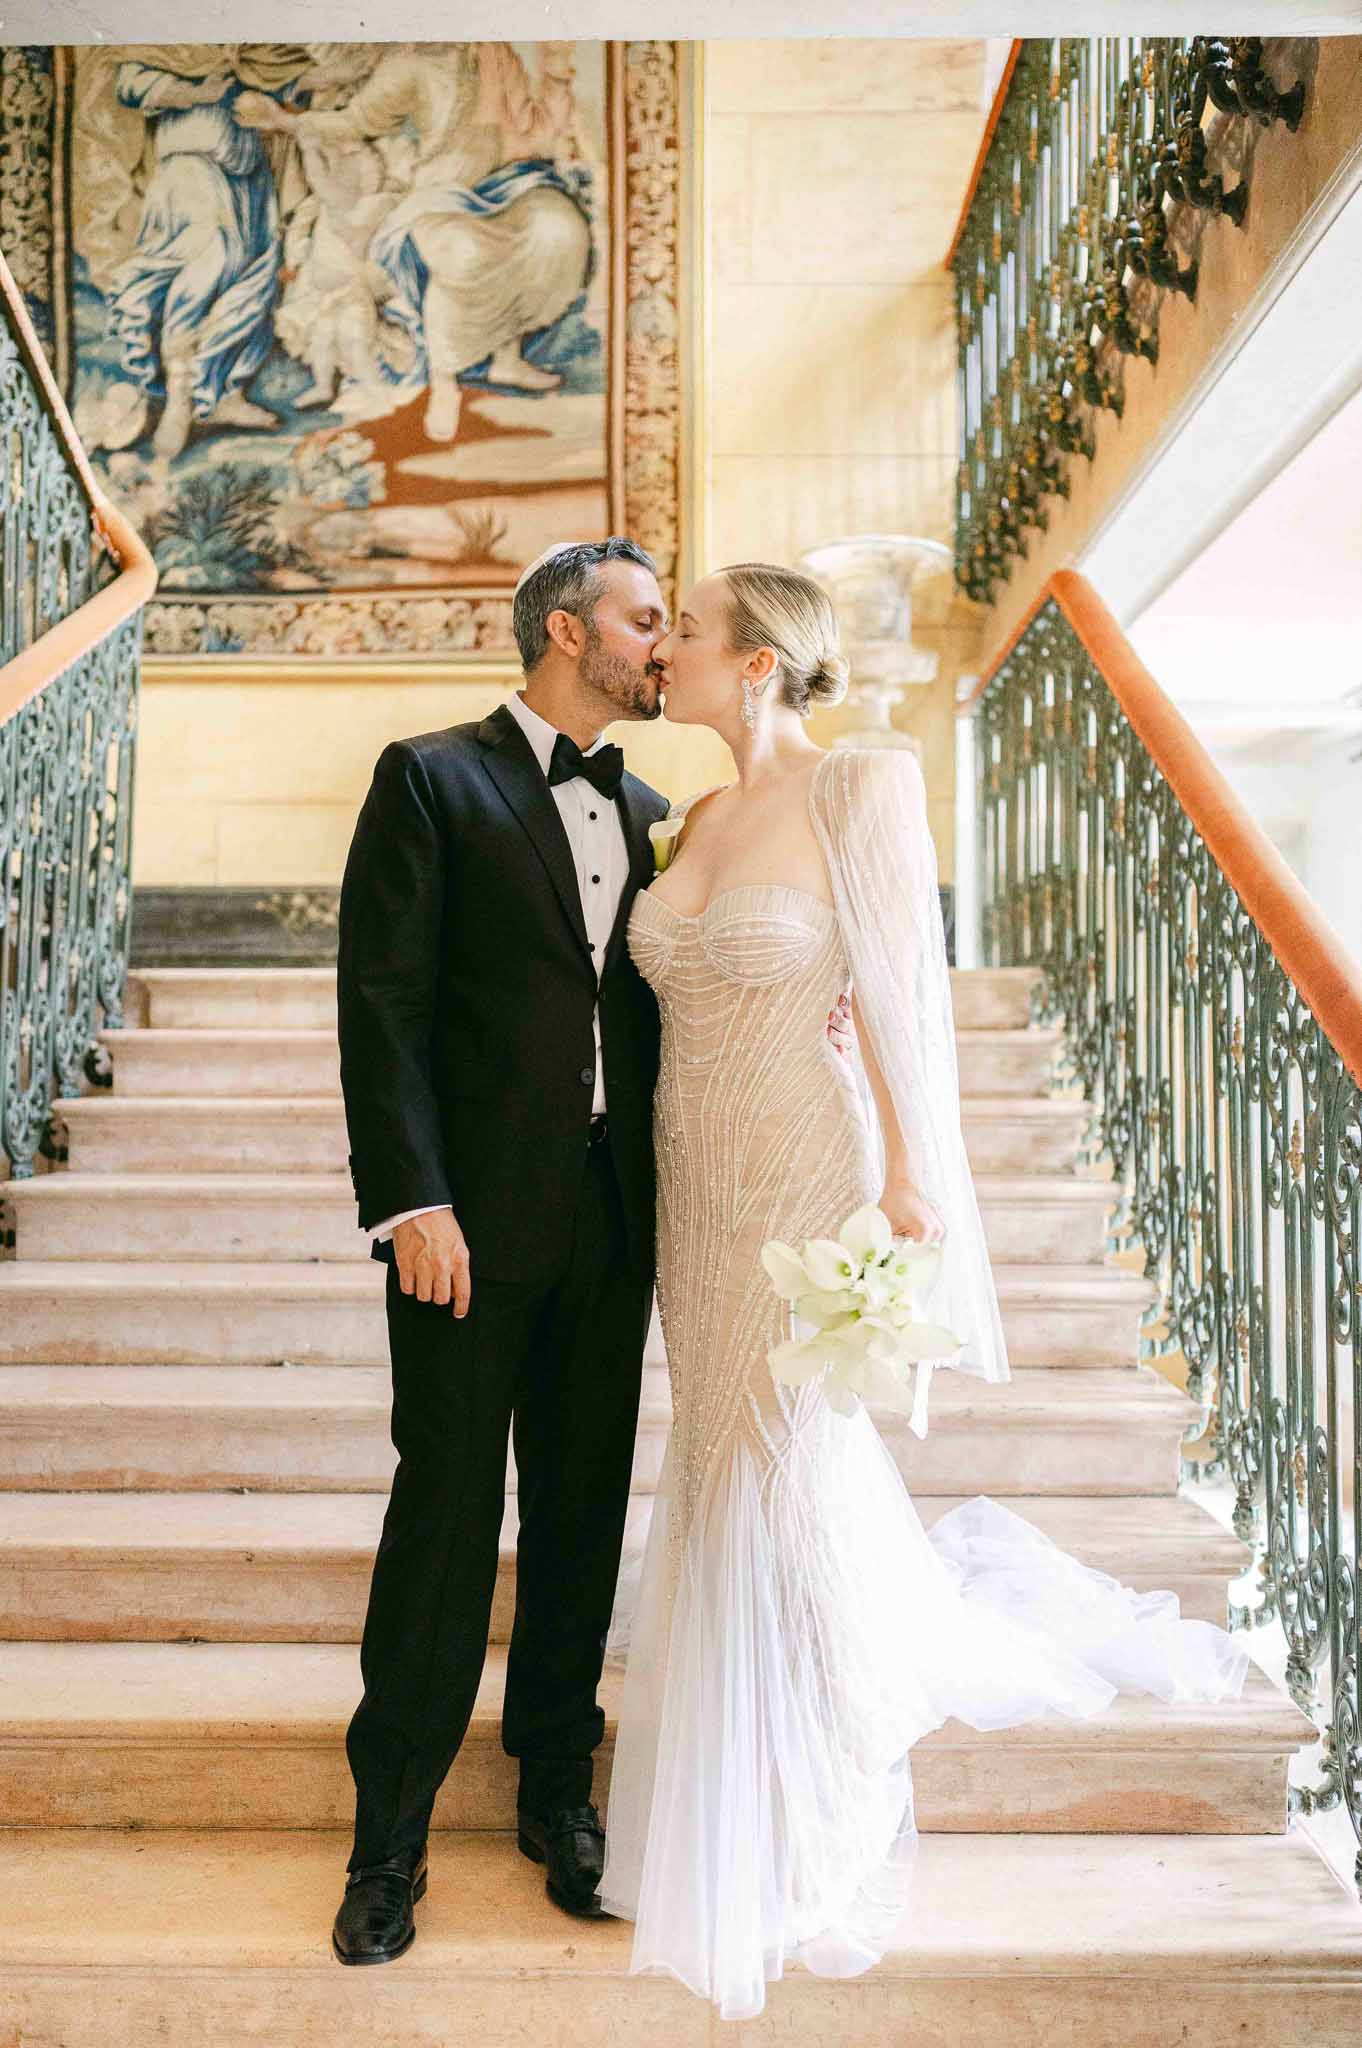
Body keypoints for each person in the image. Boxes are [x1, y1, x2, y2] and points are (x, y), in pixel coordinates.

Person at [599, 562, 1250, 2020]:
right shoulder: (692, 817)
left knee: (784, 1462)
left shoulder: (861, 790)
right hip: (693, 1188)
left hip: (810, 1170)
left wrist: (910, 1190)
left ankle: (802, 1802)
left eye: (686, 634)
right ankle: (723, 1783)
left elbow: (900, 994)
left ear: (759, 664)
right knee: (713, 1461)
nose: (666, 655)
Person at [330, 536, 854, 1967]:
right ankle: (389, 1840)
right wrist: (411, 1200)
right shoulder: (428, 777)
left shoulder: (658, 810)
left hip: (619, 1228)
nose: (658, 646)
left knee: (577, 1523)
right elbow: (381, 1009)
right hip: (463, 1232)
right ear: (569, 632)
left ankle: (557, 1792)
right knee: (442, 1521)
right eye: (640, 622)